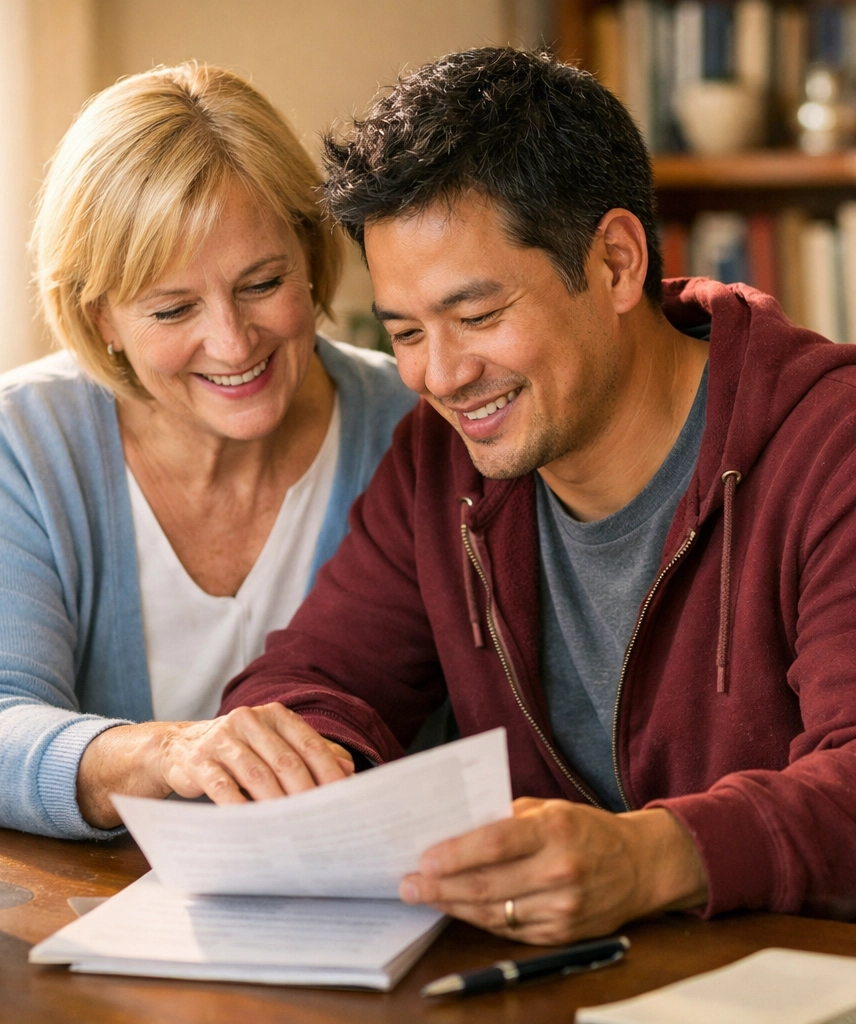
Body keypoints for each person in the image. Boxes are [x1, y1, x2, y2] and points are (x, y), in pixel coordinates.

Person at [164, 48, 856, 945]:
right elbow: (320, 675)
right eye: (405, 332)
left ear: (614, 262)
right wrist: (289, 754)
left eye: (479, 317)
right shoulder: (438, 466)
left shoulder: (830, 445)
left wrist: (651, 856)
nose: (441, 376)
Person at [0, 63, 416, 839]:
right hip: (98, 919)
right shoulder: (19, 439)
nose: (231, 341)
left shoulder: (412, 424)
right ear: (102, 317)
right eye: (173, 306)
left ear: (310, 256)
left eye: (261, 283)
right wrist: (168, 754)